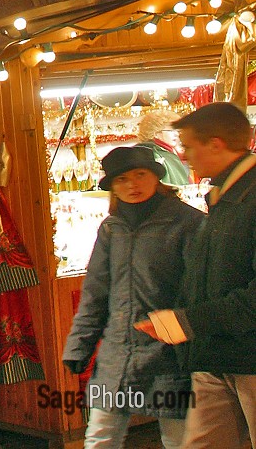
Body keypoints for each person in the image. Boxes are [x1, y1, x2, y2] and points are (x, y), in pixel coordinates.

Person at [62, 143, 203, 449]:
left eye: (140, 174)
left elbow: (198, 289)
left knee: (179, 440)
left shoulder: (188, 223)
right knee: (100, 437)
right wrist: (79, 346)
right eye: (122, 179)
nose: (132, 185)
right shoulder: (111, 228)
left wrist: (188, 333)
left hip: (171, 354)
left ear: (156, 177)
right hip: (117, 354)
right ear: (112, 186)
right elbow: (95, 293)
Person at [138, 101, 256, 449]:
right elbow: (205, 275)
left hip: (248, 357)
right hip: (215, 354)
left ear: (216, 144)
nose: (184, 156)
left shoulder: (248, 197)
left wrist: (189, 321)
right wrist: (179, 319)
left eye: (188, 146)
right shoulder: (224, 195)